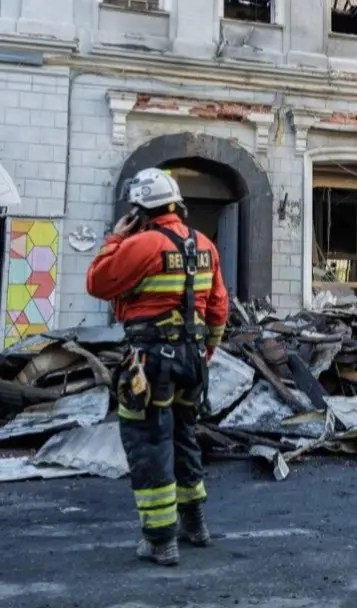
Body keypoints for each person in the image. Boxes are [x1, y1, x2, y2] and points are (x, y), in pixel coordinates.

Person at [87, 167, 229, 566]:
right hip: (192, 361)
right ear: (176, 204)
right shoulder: (205, 245)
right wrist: (208, 353)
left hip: (150, 363)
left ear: (139, 210)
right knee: (184, 438)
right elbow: (219, 308)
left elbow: (97, 282)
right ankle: (195, 523)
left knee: (150, 444)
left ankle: (160, 539)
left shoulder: (142, 244)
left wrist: (117, 236)